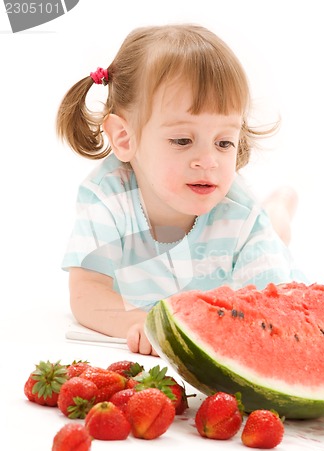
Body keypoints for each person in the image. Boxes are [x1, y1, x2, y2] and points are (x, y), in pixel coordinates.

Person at [57, 24, 306, 356]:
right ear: (125, 138)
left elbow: (271, 309)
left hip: (248, 252)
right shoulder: (108, 198)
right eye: (182, 140)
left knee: (273, 229)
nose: (208, 161)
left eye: (224, 142)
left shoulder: (241, 217)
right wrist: (148, 324)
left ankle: (277, 210)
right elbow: (87, 294)